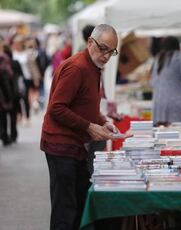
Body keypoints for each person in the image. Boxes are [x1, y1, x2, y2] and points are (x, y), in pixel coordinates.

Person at [40, 24, 123, 230]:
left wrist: (103, 121)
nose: (106, 55)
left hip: (74, 146)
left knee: (76, 205)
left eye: (111, 51)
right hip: (61, 146)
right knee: (65, 210)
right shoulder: (77, 67)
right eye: (103, 48)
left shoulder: (93, 67)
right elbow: (56, 108)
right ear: (90, 43)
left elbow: (84, 105)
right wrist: (89, 126)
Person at [150, 36, 181, 126]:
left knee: (162, 133)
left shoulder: (158, 58)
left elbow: (152, 81)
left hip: (159, 102)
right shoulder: (180, 57)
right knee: (179, 132)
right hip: (177, 102)